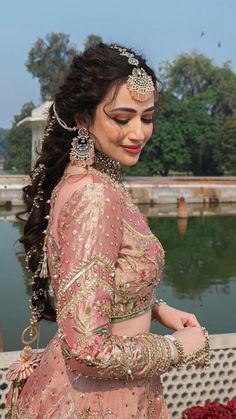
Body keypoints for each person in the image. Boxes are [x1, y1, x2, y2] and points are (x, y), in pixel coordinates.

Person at [7, 43, 209, 419]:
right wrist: (178, 348)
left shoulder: (91, 180)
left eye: (146, 117)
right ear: (83, 119)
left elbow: (101, 286)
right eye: (121, 117)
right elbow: (86, 351)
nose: (138, 132)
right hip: (98, 401)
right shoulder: (95, 195)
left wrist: (154, 308)